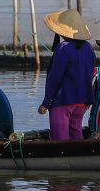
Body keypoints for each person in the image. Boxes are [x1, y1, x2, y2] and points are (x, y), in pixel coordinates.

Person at [37, 9, 95, 141]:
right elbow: (90, 74)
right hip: (81, 102)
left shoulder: (63, 47)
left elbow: (55, 78)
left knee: (60, 139)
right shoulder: (88, 48)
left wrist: (46, 103)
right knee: (76, 135)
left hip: (63, 100)